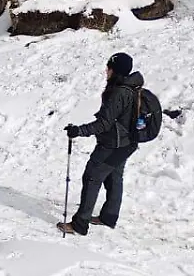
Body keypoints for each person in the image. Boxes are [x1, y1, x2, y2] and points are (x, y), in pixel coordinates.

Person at [58, 53, 142, 235]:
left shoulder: (119, 92)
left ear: (116, 71)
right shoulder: (132, 87)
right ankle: (108, 217)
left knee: (92, 177)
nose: (106, 71)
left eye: (109, 68)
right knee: (114, 177)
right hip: (126, 144)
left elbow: (104, 123)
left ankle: (80, 224)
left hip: (112, 145)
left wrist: (78, 131)